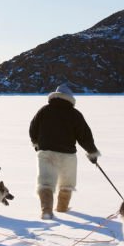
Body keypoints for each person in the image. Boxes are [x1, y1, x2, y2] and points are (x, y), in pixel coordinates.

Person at [29, 85, 100, 219]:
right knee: (67, 184)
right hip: (67, 155)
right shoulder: (75, 114)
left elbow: (33, 128)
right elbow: (85, 136)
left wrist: (36, 143)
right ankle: (62, 208)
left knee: (45, 183)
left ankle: (46, 211)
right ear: (70, 98)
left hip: (46, 153)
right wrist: (92, 153)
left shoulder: (44, 111)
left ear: (55, 96)